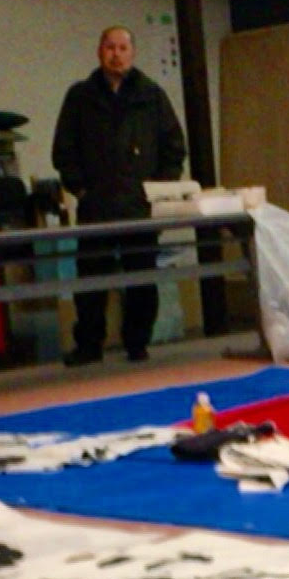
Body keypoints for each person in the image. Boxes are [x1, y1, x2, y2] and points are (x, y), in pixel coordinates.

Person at [51, 26, 187, 367]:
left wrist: (158, 189)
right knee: (91, 280)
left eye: (123, 47)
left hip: (138, 204)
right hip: (95, 204)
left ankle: (137, 343)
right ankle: (89, 345)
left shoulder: (151, 96)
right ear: (100, 52)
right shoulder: (80, 96)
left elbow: (174, 147)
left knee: (141, 278)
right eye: (110, 47)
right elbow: (64, 149)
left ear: (133, 52)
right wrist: (80, 188)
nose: (116, 54)